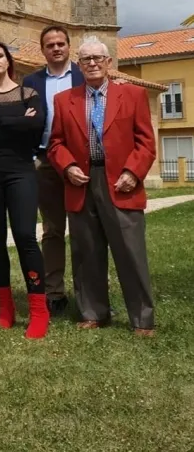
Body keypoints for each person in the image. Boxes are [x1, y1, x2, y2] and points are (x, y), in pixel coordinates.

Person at [48, 36, 156, 336]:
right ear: (79, 64)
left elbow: (146, 142)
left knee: (130, 252)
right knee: (86, 251)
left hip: (122, 183)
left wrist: (133, 172)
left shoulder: (133, 95)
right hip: (81, 182)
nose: (92, 63)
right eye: (86, 59)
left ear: (109, 62)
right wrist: (67, 166)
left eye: (98, 58)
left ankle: (142, 319)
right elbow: (55, 143)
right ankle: (93, 312)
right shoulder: (65, 100)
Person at [0, 41, 50, 339]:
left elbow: (36, 125)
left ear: (8, 61)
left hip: (21, 172)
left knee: (26, 236)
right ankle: (5, 307)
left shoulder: (28, 94)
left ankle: (39, 310)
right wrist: (18, 122)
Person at [23, 25, 84, 316]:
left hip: (81, 162)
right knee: (52, 229)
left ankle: (88, 292)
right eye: (50, 45)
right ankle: (54, 292)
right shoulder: (31, 81)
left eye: (61, 43)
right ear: (43, 50)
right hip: (45, 161)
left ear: (69, 46)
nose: (56, 48)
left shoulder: (84, 75)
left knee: (85, 229)